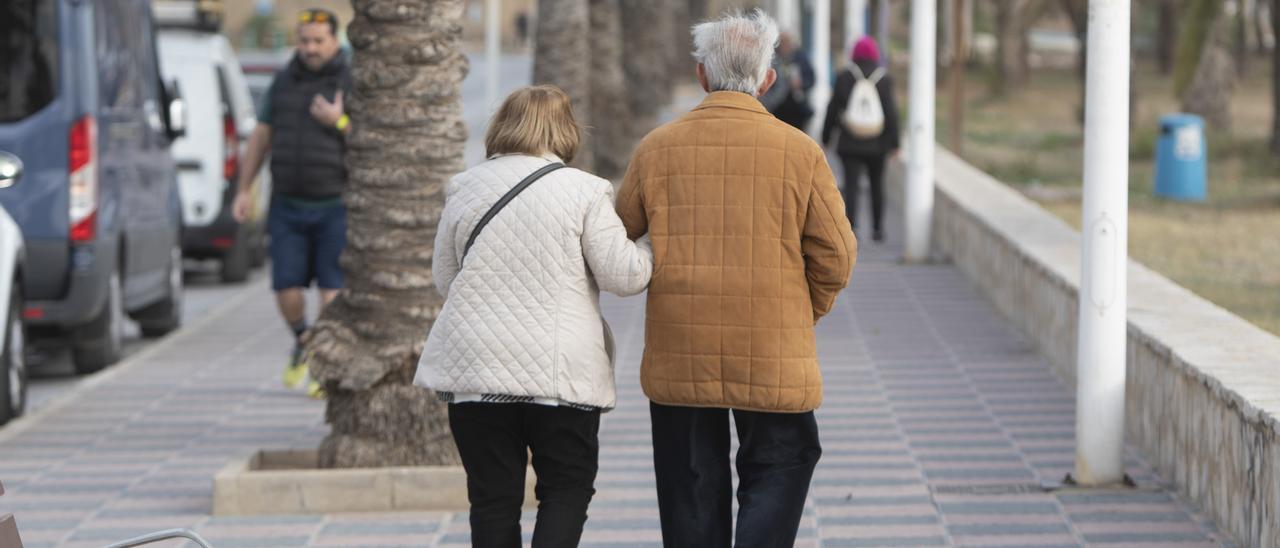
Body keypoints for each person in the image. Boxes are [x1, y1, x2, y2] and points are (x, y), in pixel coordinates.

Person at [616, 10, 857, 548]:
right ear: (767, 79)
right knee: (781, 465)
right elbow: (837, 256)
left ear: (702, 75)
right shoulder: (800, 152)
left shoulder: (656, 149)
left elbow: (618, 240)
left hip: (682, 347)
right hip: (774, 345)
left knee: (690, 484)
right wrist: (802, 309)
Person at [414, 86, 653, 548]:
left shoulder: (465, 186)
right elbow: (624, 276)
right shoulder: (585, 190)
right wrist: (650, 240)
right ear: (566, 130)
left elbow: (445, 278)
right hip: (558, 372)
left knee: (491, 500)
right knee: (565, 489)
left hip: (475, 369)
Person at [232, 8, 352, 397]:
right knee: (286, 289)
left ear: (334, 40)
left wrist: (339, 121)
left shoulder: (352, 79)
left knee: (332, 292)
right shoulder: (284, 81)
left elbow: (375, 142)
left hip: (335, 203)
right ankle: (304, 342)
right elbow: (261, 137)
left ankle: (322, 363)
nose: (310, 48)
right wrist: (243, 189)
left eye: (318, 40)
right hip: (287, 204)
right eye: (304, 40)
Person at [822, 36, 900, 243]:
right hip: (878, 143)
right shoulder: (884, 79)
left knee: (851, 186)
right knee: (877, 185)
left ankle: (851, 227)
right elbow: (891, 113)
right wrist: (895, 143)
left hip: (850, 142)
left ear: (854, 54)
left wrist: (826, 136)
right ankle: (877, 229)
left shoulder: (844, 76)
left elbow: (833, 109)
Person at [759, 32, 815, 131]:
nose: (786, 46)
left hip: (797, 107)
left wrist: (801, 84)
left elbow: (811, 79)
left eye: (788, 43)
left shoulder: (800, 57)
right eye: (783, 43)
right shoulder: (772, 58)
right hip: (778, 107)